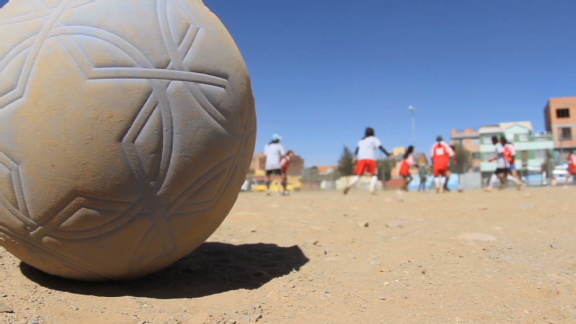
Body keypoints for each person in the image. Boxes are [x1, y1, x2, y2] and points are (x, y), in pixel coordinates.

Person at [343, 127, 392, 195]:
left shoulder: (361, 140)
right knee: (374, 175)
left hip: (362, 159)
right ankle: (372, 190)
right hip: (371, 159)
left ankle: (349, 185)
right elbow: (380, 147)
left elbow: (357, 149)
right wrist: (388, 154)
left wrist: (354, 157)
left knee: (358, 175)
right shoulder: (374, 139)